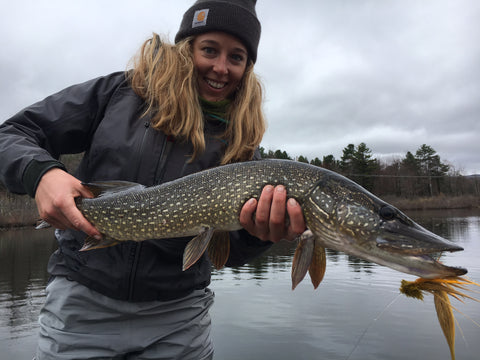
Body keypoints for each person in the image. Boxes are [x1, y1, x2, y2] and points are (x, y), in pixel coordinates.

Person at [0, 0, 306, 359]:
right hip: (82, 307)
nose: (221, 68)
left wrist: (259, 235)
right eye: (210, 50)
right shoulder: (120, 93)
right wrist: (42, 174)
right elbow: (12, 133)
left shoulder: (242, 146)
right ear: (186, 47)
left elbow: (226, 253)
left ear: (247, 66)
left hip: (179, 320)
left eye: (236, 57)